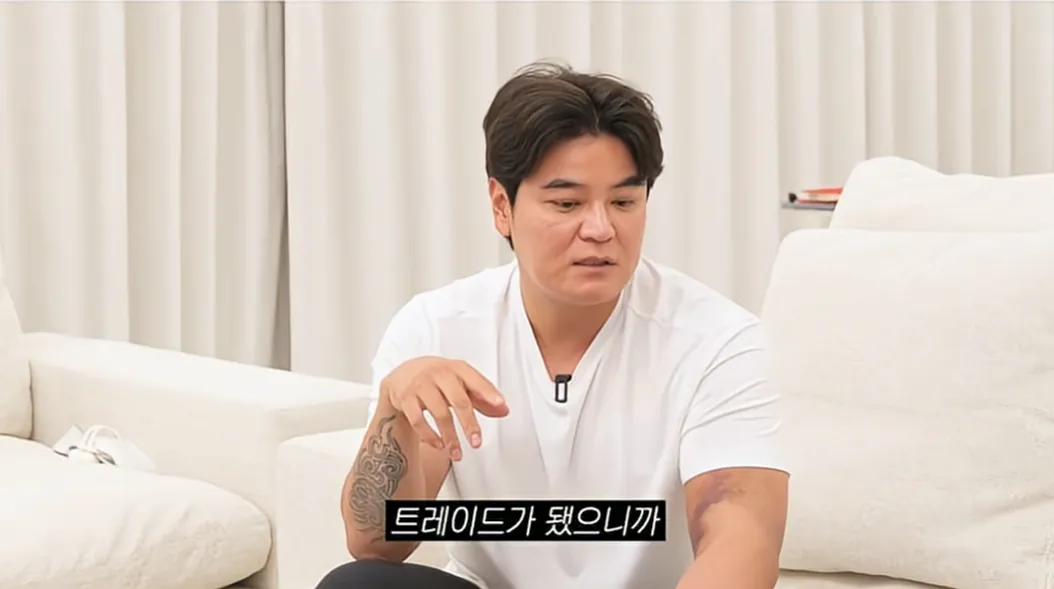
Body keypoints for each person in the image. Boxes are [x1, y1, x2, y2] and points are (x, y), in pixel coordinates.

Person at [317, 61, 790, 589]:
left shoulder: (717, 340)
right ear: (502, 206)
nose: (600, 229)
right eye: (567, 203)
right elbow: (375, 543)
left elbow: (741, 543)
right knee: (357, 584)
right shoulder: (436, 327)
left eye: (624, 202)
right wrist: (393, 408)